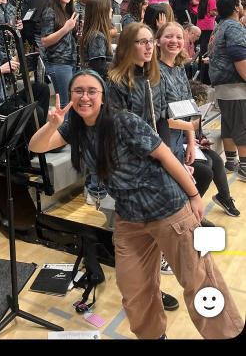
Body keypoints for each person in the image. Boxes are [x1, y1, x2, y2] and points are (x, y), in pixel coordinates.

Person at [29, 69, 244, 339]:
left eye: (91, 91)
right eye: (78, 91)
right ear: (70, 95)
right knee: (134, 289)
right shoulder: (75, 126)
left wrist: (193, 196)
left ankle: (226, 334)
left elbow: (166, 157)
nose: (85, 97)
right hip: (129, 217)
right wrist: (51, 124)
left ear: (103, 96)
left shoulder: (124, 121)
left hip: (168, 208)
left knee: (199, 282)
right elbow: (36, 147)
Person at [156, 22, 214, 228]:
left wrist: (191, 142)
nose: (174, 41)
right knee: (203, 172)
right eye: (168, 37)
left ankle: (189, 214)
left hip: (180, 137)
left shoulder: (180, 69)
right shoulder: (155, 71)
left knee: (209, 165)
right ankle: (184, 217)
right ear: (158, 41)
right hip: (163, 140)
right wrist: (190, 129)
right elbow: (161, 116)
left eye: (178, 37)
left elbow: (188, 107)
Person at [209, 0, 246, 180]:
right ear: (235, 8)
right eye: (240, 2)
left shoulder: (219, 27)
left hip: (222, 87)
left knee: (229, 126)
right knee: (242, 127)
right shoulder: (234, 26)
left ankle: (231, 162)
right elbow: (238, 54)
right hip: (235, 87)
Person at [189, 80, 240, 217]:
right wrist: (191, 141)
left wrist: (201, 140)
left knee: (216, 159)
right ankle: (190, 211)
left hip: (192, 145)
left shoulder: (195, 112)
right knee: (207, 168)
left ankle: (224, 197)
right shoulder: (179, 111)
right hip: (181, 148)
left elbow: (198, 132)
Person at [40, 0, 78, 109]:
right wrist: (65, 28)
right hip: (58, 63)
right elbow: (44, 41)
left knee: (70, 101)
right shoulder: (49, 12)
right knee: (64, 103)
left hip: (70, 61)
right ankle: (61, 129)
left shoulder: (68, 11)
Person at [80, 0, 113, 80]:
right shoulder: (97, 36)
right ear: (103, 11)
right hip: (97, 82)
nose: (112, 10)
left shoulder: (96, 34)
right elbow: (99, 66)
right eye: (110, 8)